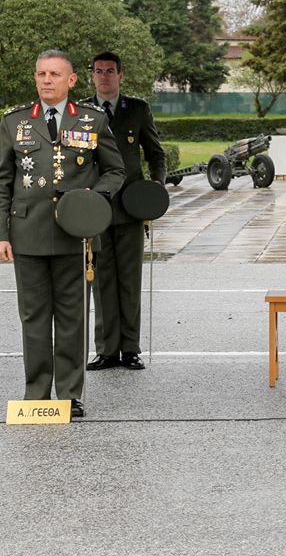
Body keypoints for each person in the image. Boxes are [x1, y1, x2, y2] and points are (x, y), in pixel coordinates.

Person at [0, 49, 125, 418]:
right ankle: (35, 393)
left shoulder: (92, 119)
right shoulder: (15, 121)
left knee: (72, 316)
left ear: (71, 80)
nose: (46, 80)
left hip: (75, 235)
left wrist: (92, 201)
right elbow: (2, 180)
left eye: (54, 74)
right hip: (28, 231)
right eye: (40, 74)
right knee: (33, 317)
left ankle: (69, 394)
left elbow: (116, 170)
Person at [82, 51, 166, 372]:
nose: (104, 76)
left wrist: (156, 186)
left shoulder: (138, 110)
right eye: (99, 71)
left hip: (131, 207)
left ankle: (130, 348)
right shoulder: (82, 112)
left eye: (110, 71)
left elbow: (156, 155)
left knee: (129, 280)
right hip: (96, 207)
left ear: (121, 75)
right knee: (101, 281)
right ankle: (106, 349)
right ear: (92, 75)